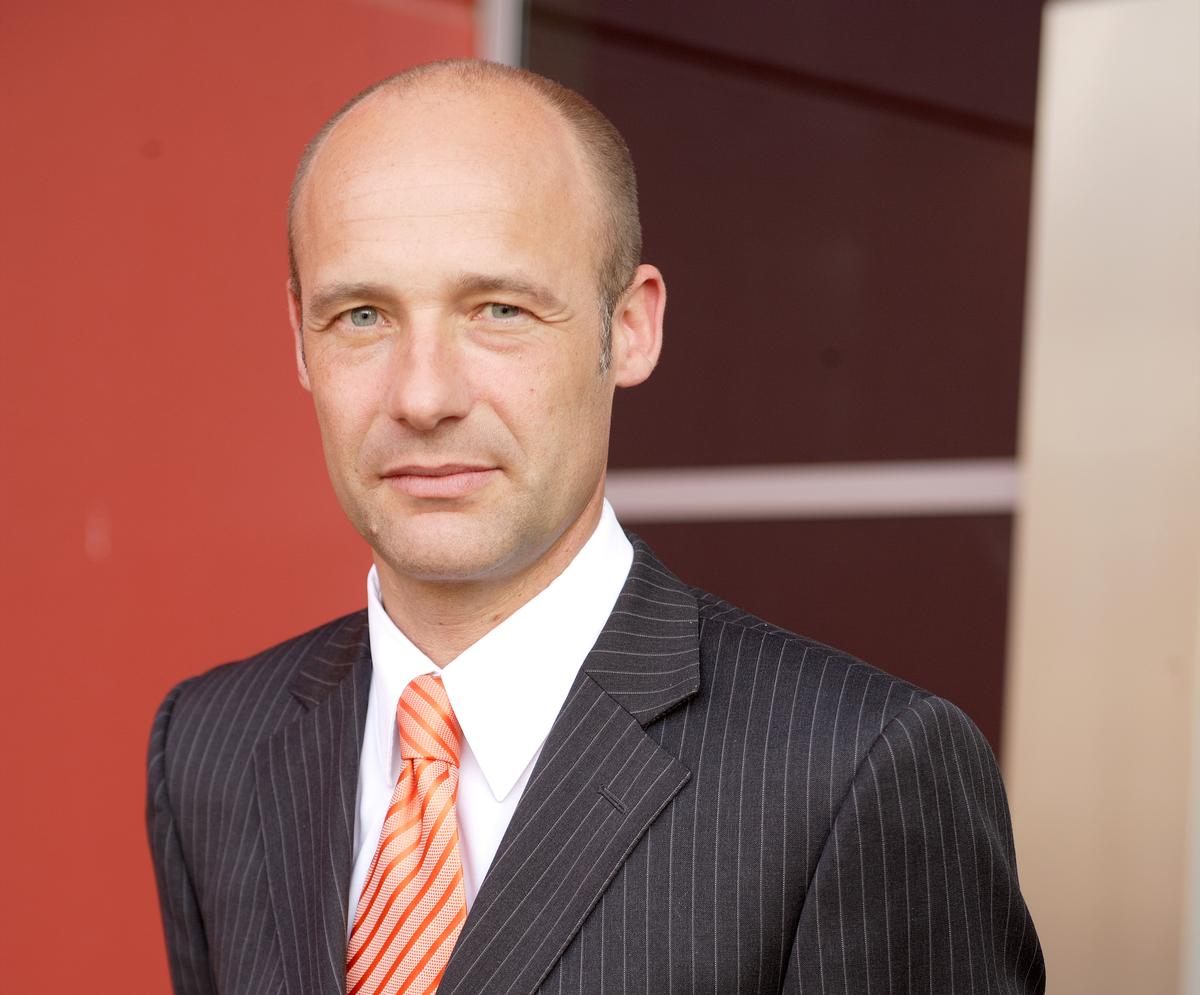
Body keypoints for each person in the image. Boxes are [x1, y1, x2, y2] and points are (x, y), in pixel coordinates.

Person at [146, 59, 1045, 995]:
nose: (422, 395)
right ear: (301, 338)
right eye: (363, 315)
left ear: (632, 328)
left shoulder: (854, 771)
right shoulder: (210, 748)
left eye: (499, 309)